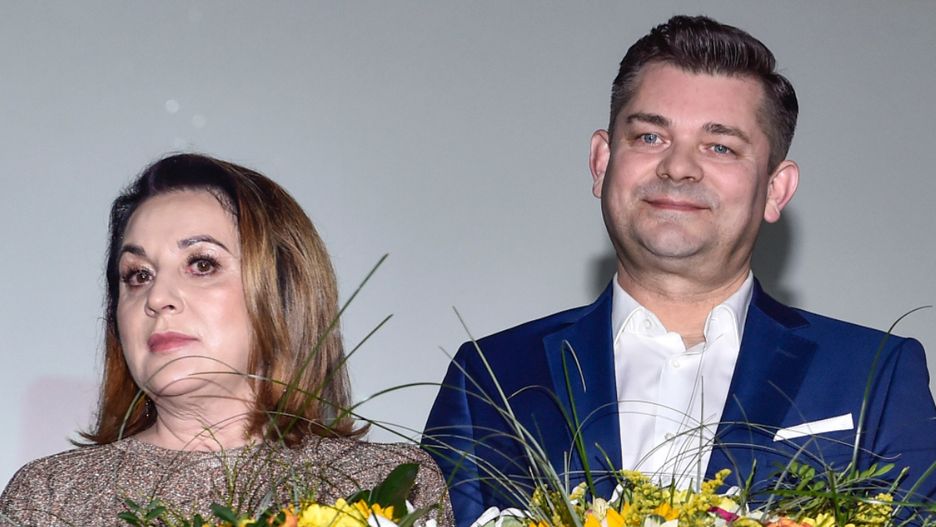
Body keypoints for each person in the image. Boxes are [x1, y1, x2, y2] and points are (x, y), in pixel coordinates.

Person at [423, 15, 936, 527]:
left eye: (720, 147)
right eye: (650, 137)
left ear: (775, 189)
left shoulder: (875, 376)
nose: (678, 167)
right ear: (602, 162)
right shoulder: (490, 377)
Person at [0, 153, 453, 526]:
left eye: (201, 264)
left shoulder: (388, 483)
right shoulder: (49, 495)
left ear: (284, 292)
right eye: (138, 275)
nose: (157, 297)